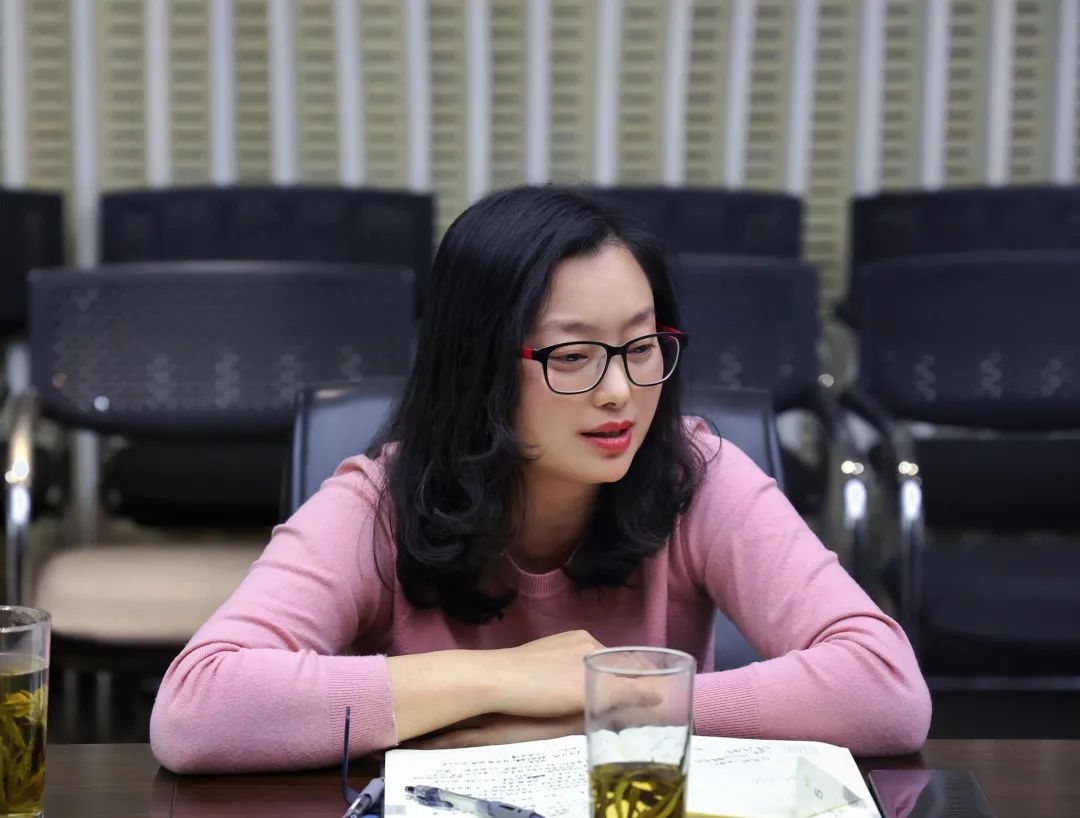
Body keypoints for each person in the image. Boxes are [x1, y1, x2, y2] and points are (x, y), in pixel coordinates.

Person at [150, 186, 931, 774]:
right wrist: (511, 678)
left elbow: (886, 689)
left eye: (641, 347)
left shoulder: (696, 475)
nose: (620, 392)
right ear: (480, 367)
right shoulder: (377, 502)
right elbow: (197, 709)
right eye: (573, 355)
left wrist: (607, 709)